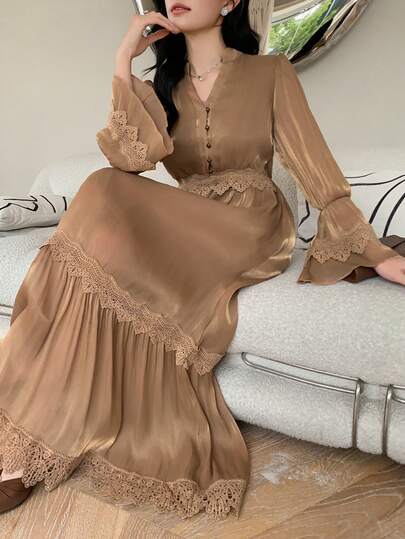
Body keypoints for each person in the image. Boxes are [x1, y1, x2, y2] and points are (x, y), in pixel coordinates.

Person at [1, 0, 404, 521]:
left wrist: (370, 249)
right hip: (188, 216)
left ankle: (23, 457)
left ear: (231, 2)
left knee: (100, 197)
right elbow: (129, 161)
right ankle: (24, 436)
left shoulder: (270, 71)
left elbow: (314, 163)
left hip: (251, 224)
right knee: (95, 217)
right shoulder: (165, 85)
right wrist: (123, 62)